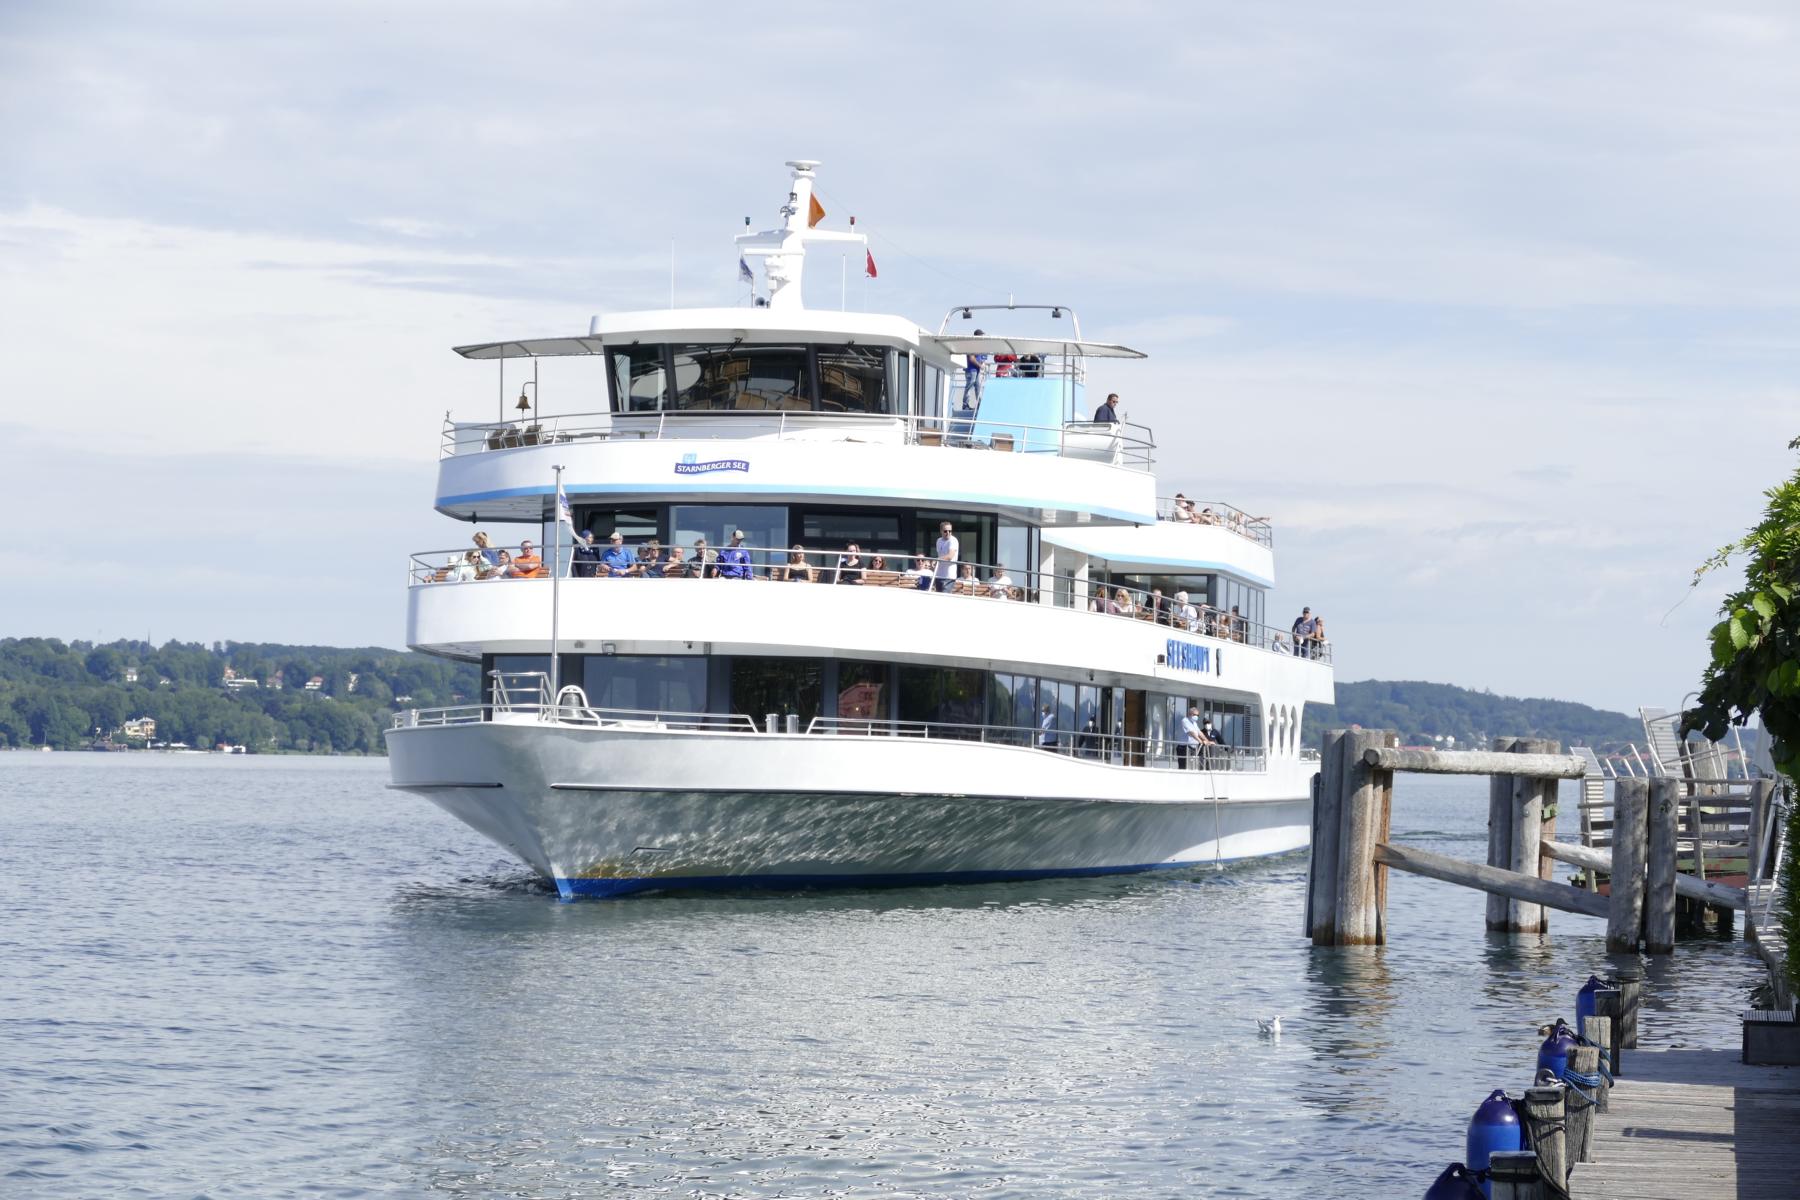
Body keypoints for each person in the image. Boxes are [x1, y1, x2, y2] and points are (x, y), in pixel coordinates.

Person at [933, 521, 959, 593]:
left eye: (950, 531)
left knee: (944, 596)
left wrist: (936, 560)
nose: (948, 533)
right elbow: (940, 555)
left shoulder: (953, 540)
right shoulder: (938, 541)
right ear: (941, 531)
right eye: (945, 531)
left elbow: (950, 556)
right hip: (939, 575)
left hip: (949, 577)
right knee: (938, 596)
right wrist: (935, 563)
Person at [1179, 703, 1201, 770]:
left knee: (1192, 766)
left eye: (1197, 715)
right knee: (1184, 767)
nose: (1196, 717)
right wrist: (1199, 740)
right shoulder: (1185, 721)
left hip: (1192, 748)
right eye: (1194, 715)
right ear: (1190, 714)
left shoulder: (1194, 723)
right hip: (1184, 747)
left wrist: (1206, 740)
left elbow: (1199, 732)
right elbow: (1191, 733)